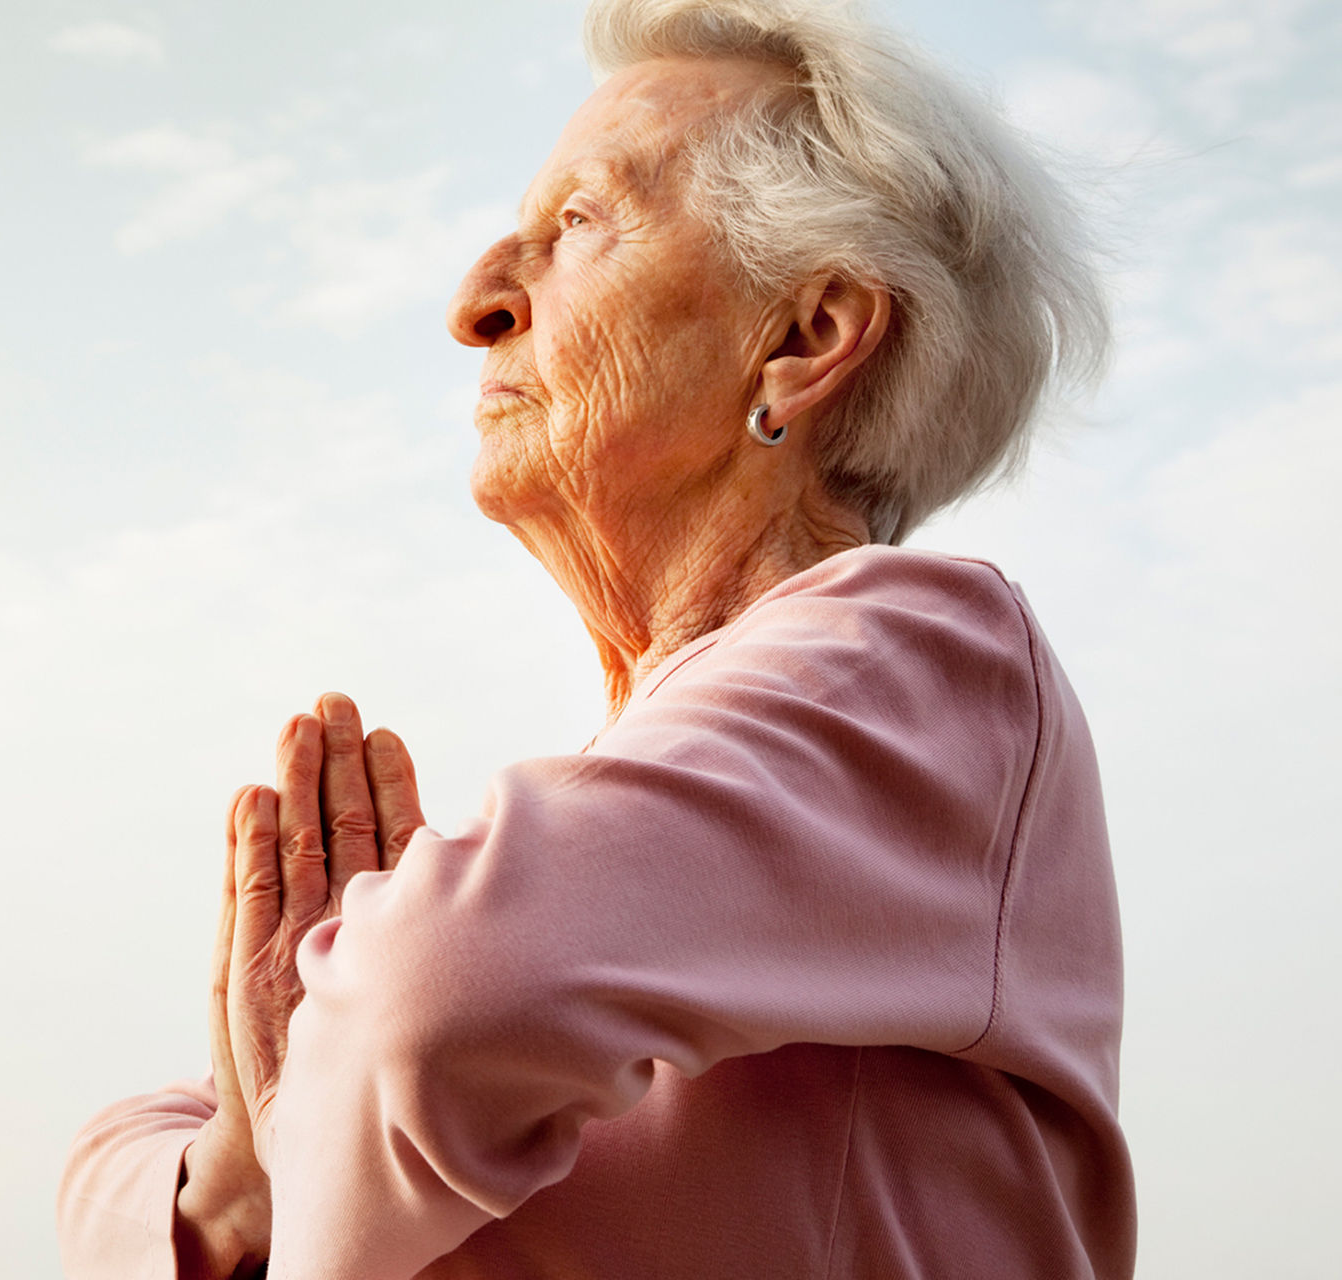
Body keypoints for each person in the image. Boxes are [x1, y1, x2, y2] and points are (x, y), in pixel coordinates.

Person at [58, 0, 1136, 1275]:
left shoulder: (924, 659)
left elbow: (433, 997)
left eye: (576, 225)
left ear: (805, 339)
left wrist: (284, 1140)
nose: (476, 301)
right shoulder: (661, 820)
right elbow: (114, 1166)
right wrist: (240, 1174)